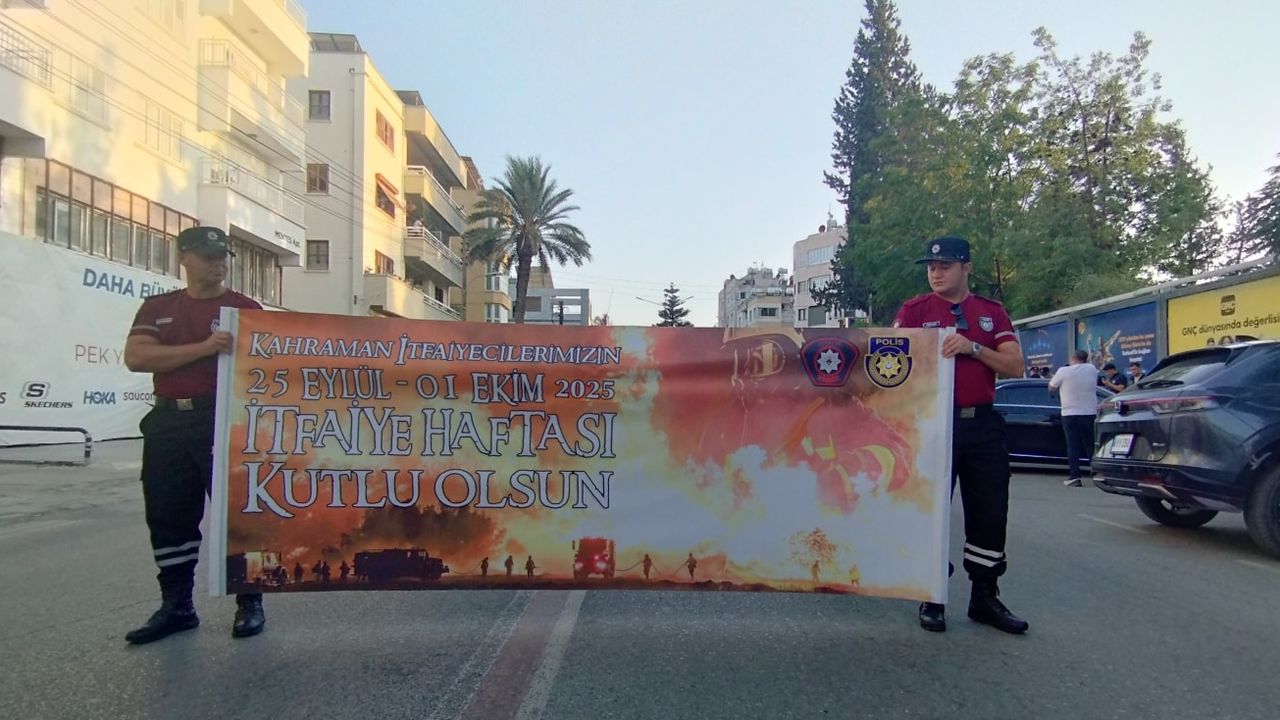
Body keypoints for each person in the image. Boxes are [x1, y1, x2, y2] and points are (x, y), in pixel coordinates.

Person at [122, 226, 264, 645]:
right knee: (168, 515)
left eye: (222, 256)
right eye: (207, 256)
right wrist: (205, 348)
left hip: (225, 421)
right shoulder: (159, 307)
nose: (218, 263)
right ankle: (177, 606)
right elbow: (137, 357)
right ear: (184, 257)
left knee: (239, 515)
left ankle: (250, 602)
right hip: (168, 422)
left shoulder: (245, 308)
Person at [893, 236, 1029, 635]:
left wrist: (973, 348)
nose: (936, 273)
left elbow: (1015, 366)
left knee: (989, 511)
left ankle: (984, 596)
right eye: (931, 267)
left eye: (945, 266)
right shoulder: (915, 310)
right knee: (931, 511)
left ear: (966, 268)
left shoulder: (991, 313)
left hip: (982, 425)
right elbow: (890, 362)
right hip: (933, 423)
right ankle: (932, 595)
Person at [1049, 350, 1100, 487]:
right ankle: (1097, 474)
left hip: (1070, 413)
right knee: (1091, 444)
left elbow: (1051, 387)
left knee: (1073, 446)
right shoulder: (1091, 369)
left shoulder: (1063, 371)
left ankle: (1075, 476)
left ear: (1072, 358)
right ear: (1086, 359)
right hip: (1089, 412)